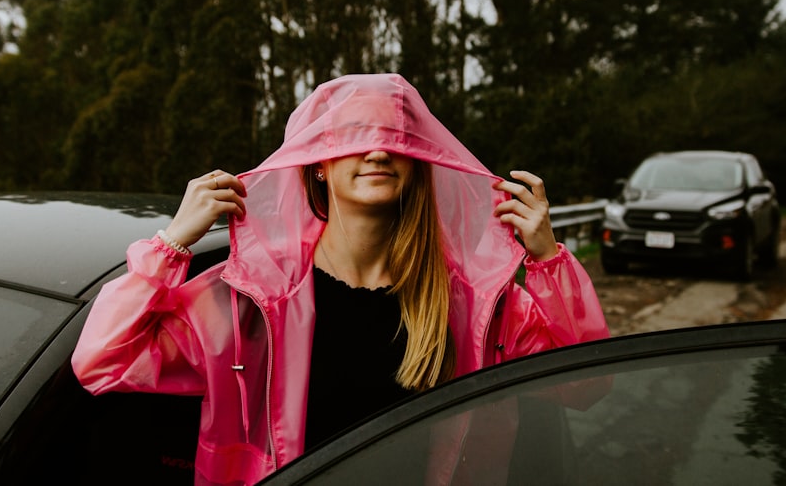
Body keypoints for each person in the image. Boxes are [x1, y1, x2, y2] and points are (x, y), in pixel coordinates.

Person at [72, 73, 609, 485]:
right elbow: (102, 361)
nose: (378, 150)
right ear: (318, 165)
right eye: (356, 135)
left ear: (418, 161)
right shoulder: (249, 303)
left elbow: (584, 384)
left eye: (396, 138)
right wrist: (171, 245)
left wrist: (547, 259)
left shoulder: (476, 306)